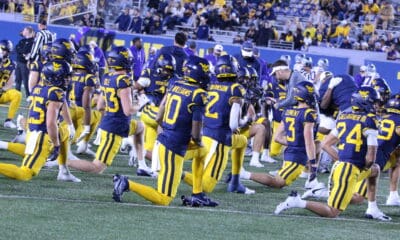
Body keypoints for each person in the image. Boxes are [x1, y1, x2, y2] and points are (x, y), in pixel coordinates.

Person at [275, 86, 391, 221]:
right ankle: (298, 202)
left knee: (375, 170)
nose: (377, 106)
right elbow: (371, 157)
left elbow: (325, 144)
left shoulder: (344, 117)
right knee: (332, 212)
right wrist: (356, 165)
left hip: (344, 167)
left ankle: (373, 209)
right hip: (348, 169)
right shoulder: (370, 121)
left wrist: (342, 160)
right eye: (374, 102)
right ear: (364, 102)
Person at [112, 56, 214, 206]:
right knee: (164, 198)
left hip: (168, 140)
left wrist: (163, 130)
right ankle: (126, 183)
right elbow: (196, 131)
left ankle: (198, 193)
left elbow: (160, 114)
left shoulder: (176, 84)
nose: (208, 76)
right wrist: (197, 141)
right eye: (206, 72)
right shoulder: (199, 95)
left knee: (202, 151)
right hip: (173, 148)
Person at [0, 59, 80, 182]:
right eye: (65, 77)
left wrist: (69, 125)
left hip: (34, 131)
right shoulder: (56, 93)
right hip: (42, 137)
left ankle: (64, 171)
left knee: (64, 133)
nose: (68, 80)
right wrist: (57, 145)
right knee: (26, 173)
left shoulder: (40, 87)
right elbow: (50, 123)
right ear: (54, 77)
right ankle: (63, 170)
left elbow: (63, 103)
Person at [183, 55, 253, 194]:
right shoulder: (235, 89)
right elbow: (233, 125)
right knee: (206, 187)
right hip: (220, 139)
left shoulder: (211, 84)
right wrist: (246, 120)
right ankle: (178, 172)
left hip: (205, 132)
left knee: (242, 141)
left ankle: (235, 181)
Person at [68, 46, 142, 174]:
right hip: (115, 128)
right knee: (98, 168)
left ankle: (142, 163)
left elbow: (100, 106)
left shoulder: (108, 77)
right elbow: (128, 111)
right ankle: (62, 160)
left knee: (140, 127)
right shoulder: (124, 81)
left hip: (113, 123)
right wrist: (141, 103)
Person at [243, 81, 321, 189]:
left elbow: (277, 137)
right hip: (297, 157)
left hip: (290, 152)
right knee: (278, 183)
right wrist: (313, 166)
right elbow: (308, 142)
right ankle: (243, 174)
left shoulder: (288, 111)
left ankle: (309, 178)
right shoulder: (309, 114)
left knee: (318, 144)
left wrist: (294, 142)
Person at [0, 39, 22, 128]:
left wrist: (2, 90)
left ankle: (8, 120)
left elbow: (10, 82)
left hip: (1, 92)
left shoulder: (12, 64)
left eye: (5, 50)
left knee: (17, 94)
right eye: (3, 50)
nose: (3, 52)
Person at [15, 26, 34, 98]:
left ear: (28, 31)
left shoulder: (32, 41)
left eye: (24, 30)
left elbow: (25, 51)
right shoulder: (22, 41)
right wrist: (22, 52)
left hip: (25, 64)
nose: (23, 31)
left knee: (26, 81)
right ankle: (16, 95)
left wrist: (22, 51)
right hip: (19, 62)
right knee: (17, 80)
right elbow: (17, 48)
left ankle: (28, 96)